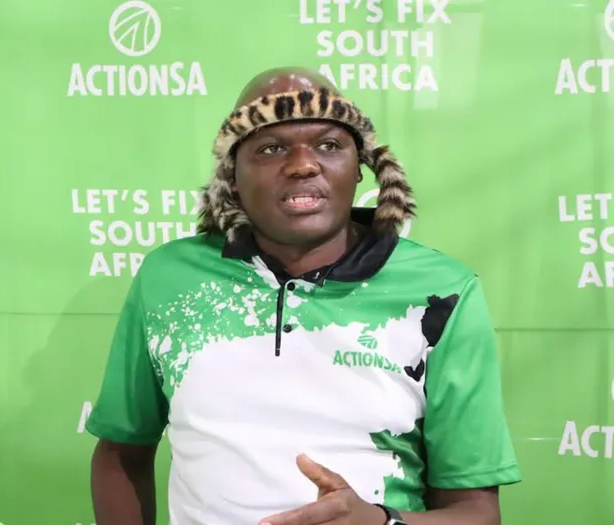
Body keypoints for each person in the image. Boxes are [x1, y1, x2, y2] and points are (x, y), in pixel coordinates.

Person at [86, 67, 522, 525]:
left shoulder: (442, 291)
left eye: (329, 145)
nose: (302, 165)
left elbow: (476, 512)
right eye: (270, 148)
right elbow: (121, 453)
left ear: (361, 168)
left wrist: (380, 522)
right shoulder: (169, 277)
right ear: (231, 177)